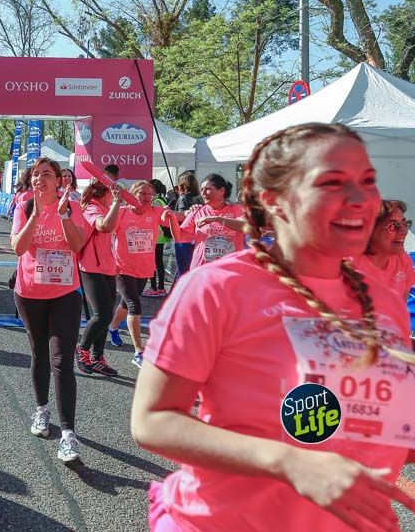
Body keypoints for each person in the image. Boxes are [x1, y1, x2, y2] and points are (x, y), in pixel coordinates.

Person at [132, 122, 415, 531]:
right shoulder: (218, 288)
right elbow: (153, 419)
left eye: (368, 181)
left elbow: (392, 426)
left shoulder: (382, 299)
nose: (360, 199)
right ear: (276, 201)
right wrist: (288, 461)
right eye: (332, 182)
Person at [10, 158, 89, 463]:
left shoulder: (72, 206)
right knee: (39, 354)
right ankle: (42, 410)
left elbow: (78, 244)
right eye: (35, 175)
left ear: (60, 180)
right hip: (29, 292)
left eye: (46, 174)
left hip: (65, 293)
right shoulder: (24, 206)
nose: (39, 179)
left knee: (62, 360)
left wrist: (65, 216)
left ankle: (69, 435)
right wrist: (37, 214)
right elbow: (18, 247)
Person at [106, 181, 172, 368]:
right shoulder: (122, 212)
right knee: (135, 305)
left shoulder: (155, 211)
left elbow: (178, 217)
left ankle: (112, 327)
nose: (146, 197)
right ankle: (138, 352)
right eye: (142, 193)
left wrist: (173, 212)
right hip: (122, 267)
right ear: (132, 195)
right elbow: (107, 228)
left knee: (126, 304)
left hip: (144, 268)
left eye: (149, 194)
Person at [74, 181, 123, 376]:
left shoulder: (106, 206)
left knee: (107, 314)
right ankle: (82, 348)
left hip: (107, 267)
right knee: (102, 314)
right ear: (106, 193)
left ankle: (97, 357)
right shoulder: (92, 208)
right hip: (90, 267)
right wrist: (117, 202)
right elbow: (105, 226)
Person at [174, 173, 246, 270]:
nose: (203, 193)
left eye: (208, 189)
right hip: (202, 270)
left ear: (222, 191)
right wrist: (171, 218)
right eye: (202, 189)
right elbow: (179, 237)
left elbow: (245, 226)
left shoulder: (236, 209)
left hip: (229, 270)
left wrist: (217, 219)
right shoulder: (197, 211)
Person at [355, 199, 415, 302]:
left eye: (405, 223)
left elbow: (400, 309)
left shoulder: (403, 261)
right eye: (394, 226)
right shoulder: (349, 269)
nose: (404, 231)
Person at [170, 171, 202, 280]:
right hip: (197, 237)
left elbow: (183, 216)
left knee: (183, 271)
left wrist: (170, 213)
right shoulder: (200, 198)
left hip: (184, 238)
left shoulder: (183, 198)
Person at [144, 179, 171, 298]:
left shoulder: (156, 201)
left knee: (153, 262)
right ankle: (160, 287)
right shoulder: (162, 199)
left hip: (156, 236)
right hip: (161, 236)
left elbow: (153, 217)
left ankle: (155, 287)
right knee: (159, 262)